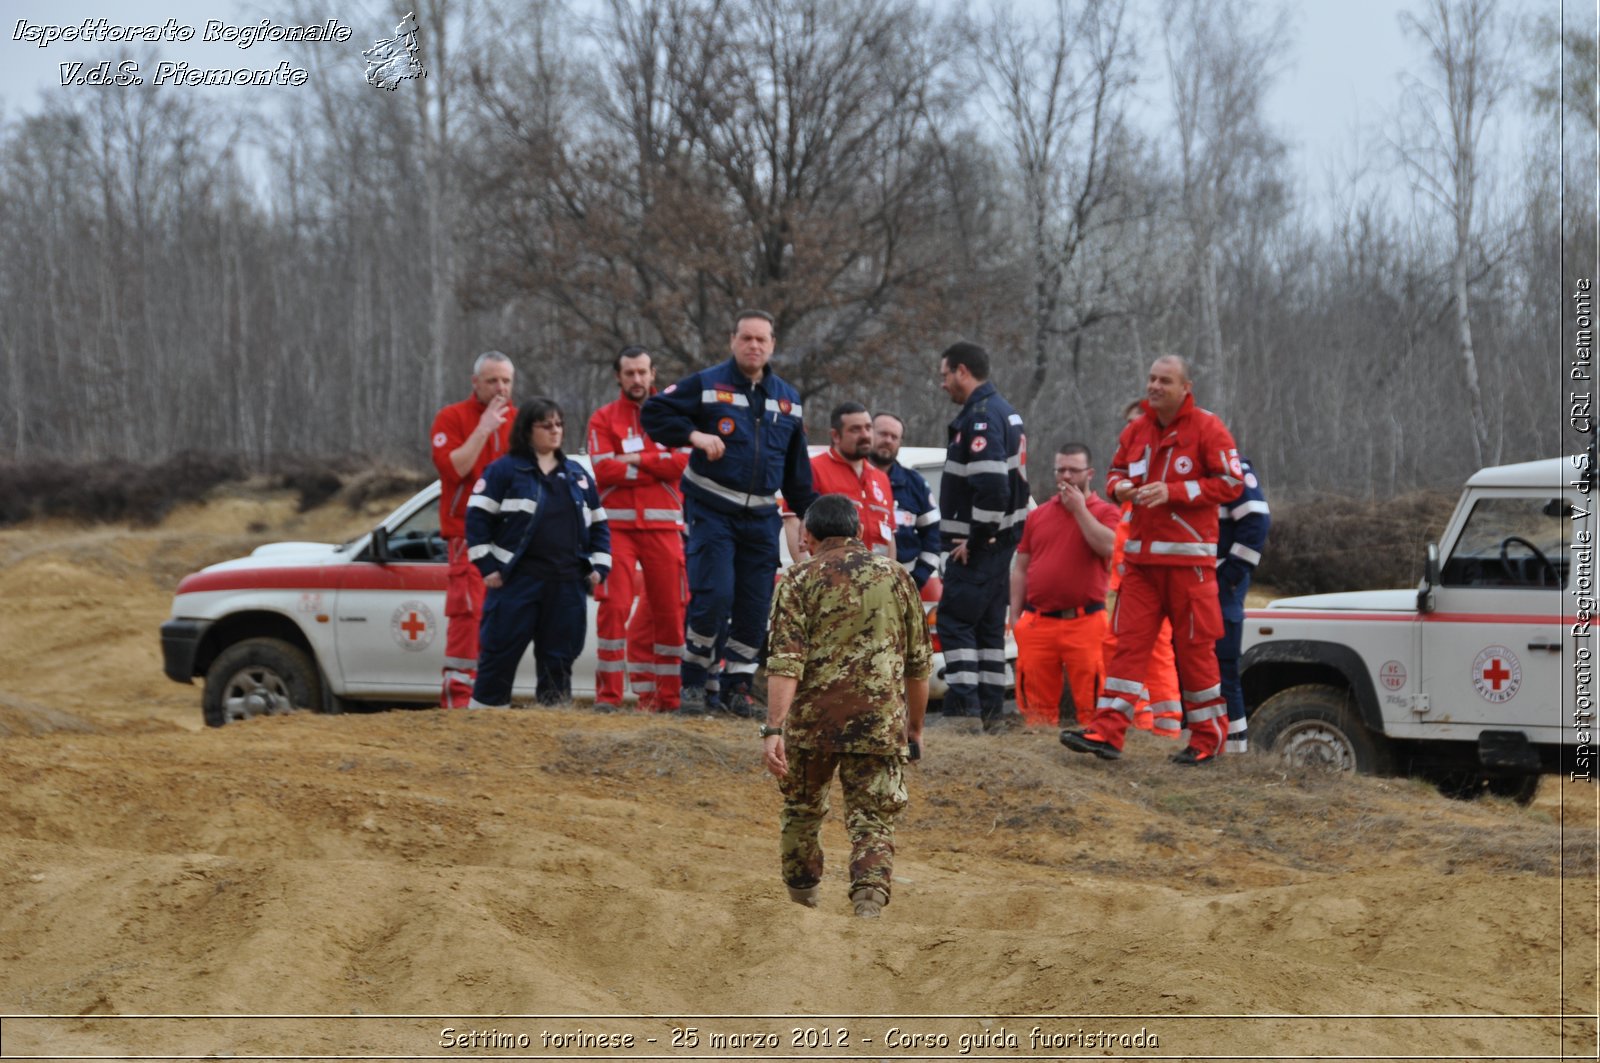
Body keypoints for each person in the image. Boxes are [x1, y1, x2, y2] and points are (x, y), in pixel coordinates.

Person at [1062, 355, 1241, 766]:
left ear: (1185, 387)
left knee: (1195, 654)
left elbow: (1231, 482)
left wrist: (1175, 492)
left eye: (1165, 380)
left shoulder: (1208, 428)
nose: (1155, 386)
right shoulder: (1137, 429)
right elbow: (1112, 475)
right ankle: (1106, 732)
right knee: (1126, 648)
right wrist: (1122, 488)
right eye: (1151, 379)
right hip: (1140, 565)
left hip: (1190, 568)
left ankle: (1206, 739)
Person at [762, 494, 932, 918]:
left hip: (810, 726)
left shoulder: (798, 580)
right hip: (879, 724)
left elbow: (786, 662)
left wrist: (773, 729)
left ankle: (803, 907)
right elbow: (918, 666)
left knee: (802, 811)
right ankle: (868, 904)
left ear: (809, 536)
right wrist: (914, 729)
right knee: (873, 820)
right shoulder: (898, 578)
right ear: (859, 531)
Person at [641, 309, 816, 717]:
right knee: (715, 596)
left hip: (760, 519)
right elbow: (655, 412)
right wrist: (694, 435)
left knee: (755, 607)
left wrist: (808, 516)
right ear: (732, 341)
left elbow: (796, 469)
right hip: (712, 511)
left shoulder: (788, 398)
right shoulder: (707, 384)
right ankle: (695, 685)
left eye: (761, 339)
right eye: (746, 338)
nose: (754, 346)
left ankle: (738, 690)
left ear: (772, 345)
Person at [466, 398, 611, 709]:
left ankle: (553, 728)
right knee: (498, 655)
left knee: (559, 662)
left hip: (566, 585)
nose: (554, 431)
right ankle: (482, 729)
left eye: (558, 424)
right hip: (516, 583)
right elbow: (476, 520)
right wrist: (488, 566)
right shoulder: (503, 471)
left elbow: (600, 525)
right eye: (546, 425)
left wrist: (599, 566)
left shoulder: (577, 476)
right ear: (527, 430)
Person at [586, 345, 690, 712]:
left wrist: (632, 460)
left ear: (653, 373)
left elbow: (682, 461)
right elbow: (603, 468)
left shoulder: (673, 414)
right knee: (612, 608)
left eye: (642, 372)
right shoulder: (603, 418)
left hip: (664, 530)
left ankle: (669, 700)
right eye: (629, 373)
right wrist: (653, 465)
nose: (636, 379)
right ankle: (608, 698)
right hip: (616, 529)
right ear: (618, 376)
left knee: (671, 612)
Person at [935, 342, 1030, 733]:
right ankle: (991, 713)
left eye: (944, 376)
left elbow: (992, 487)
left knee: (954, 621)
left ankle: (965, 715)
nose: (943, 385)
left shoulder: (980, 417)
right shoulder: (1005, 412)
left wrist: (974, 541)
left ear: (962, 371)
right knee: (989, 631)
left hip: (980, 549)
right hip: (1001, 545)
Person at [430, 351, 517, 709]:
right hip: (466, 534)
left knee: (508, 617)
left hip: (511, 535)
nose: (500, 388)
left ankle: (493, 699)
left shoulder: (522, 420)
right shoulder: (451, 417)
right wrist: (484, 427)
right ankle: (459, 703)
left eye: (507, 381)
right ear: (475, 382)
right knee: (468, 617)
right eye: (492, 381)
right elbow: (455, 468)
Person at [1008, 444, 1119, 728]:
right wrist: (1015, 617)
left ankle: (1092, 745)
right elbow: (1021, 568)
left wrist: (1080, 510)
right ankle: (1040, 753)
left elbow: (1108, 546)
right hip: (1038, 622)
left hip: (1085, 622)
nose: (1066, 476)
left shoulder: (1105, 512)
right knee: (1035, 707)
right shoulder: (1038, 515)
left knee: (1092, 701)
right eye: (1061, 470)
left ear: (1089, 473)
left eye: (1073, 470)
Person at [1104, 398, 1181, 739]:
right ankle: (1142, 720)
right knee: (1127, 650)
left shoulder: (1162, 474)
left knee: (1155, 653)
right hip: (1127, 581)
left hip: (1151, 580)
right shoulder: (1135, 475)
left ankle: (1162, 727)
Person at [783, 402, 895, 562]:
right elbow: (793, 523)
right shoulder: (813, 469)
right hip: (833, 580)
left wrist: (891, 577)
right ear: (835, 435)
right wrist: (808, 578)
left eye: (868, 428)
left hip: (875, 580)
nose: (865, 435)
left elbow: (889, 534)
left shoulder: (881, 477)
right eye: (855, 429)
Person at [1216, 455, 1270, 753]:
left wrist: (1229, 576)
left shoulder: (1231, 468)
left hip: (1219, 587)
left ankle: (1235, 751)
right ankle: (1203, 740)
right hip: (1194, 585)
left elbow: (1256, 522)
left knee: (1223, 665)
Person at [868, 411, 941, 590]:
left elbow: (934, 536)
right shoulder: (851, 478)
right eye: (883, 434)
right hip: (851, 584)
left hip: (901, 584)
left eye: (894, 437)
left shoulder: (915, 484)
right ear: (869, 433)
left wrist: (917, 578)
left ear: (900, 442)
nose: (888, 440)